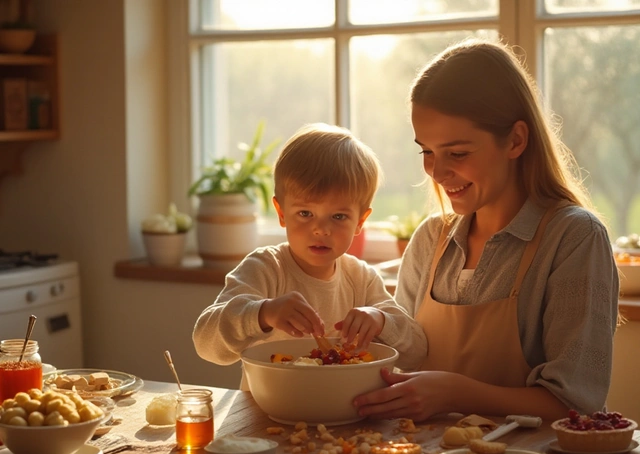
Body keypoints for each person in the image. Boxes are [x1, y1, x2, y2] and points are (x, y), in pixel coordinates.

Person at [352, 38, 619, 422]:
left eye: (457, 153)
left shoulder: (574, 238)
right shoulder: (430, 240)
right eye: (426, 151)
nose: (437, 173)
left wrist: (455, 394)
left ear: (516, 140)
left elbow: (576, 404)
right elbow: (403, 360)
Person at [193, 123, 428, 387]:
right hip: (265, 417)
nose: (321, 229)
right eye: (305, 213)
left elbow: (417, 353)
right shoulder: (264, 268)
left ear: (360, 222)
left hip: (347, 416)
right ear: (281, 214)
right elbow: (205, 343)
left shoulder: (362, 279)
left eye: (339, 216)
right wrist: (262, 313)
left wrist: (382, 321)